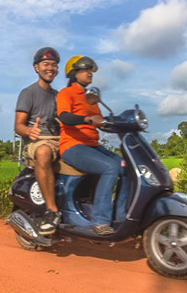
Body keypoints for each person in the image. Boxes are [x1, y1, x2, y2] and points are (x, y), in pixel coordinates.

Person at [56, 55, 128, 236]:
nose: (89, 73)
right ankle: (100, 220)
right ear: (74, 73)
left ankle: (119, 217)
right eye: (85, 69)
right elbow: (64, 116)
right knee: (110, 167)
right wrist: (87, 119)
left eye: (91, 70)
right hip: (73, 146)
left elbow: (100, 121)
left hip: (92, 146)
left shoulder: (91, 99)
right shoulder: (66, 94)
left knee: (126, 167)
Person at [14, 47, 62, 235]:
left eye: (54, 65)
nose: (50, 68)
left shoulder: (59, 96)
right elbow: (18, 126)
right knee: (43, 153)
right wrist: (29, 131)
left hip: (59, 140)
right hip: (39, 141)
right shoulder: (28, 93)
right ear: (36, 68)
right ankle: (52, 211)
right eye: (46, 64)